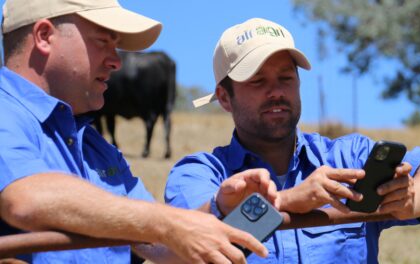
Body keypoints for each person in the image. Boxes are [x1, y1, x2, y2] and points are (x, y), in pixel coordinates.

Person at [0, 1, 279, 263]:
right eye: (103, 41)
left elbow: (166, 245)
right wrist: (164, 224)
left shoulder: (94, 146)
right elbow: (26, 199)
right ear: (45, 36)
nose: (116, 61)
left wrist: (268, 206)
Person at [165, 17, 420, 263]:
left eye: (286, 77)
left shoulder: (349, 158)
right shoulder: (199, 174)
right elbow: (186, 245)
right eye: (257, 81)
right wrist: (285, 202)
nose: (276, 91)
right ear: (224, 97)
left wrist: (409, 201)